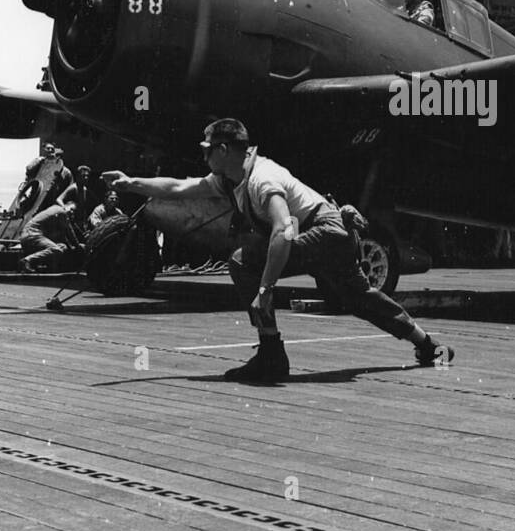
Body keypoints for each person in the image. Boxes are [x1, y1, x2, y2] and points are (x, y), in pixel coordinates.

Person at [104, 119, 453, 383]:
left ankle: (272, 354)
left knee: (244, 262)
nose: (204, 154)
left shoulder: (261, 180)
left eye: (207, 148)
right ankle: (429, 345)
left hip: (325, 231)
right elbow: (182, 187)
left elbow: (285, 230)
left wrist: (265, 288)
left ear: (224, 150)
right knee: (360, 296)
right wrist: (131, 182)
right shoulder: (231, 178)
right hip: (333, 232)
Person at [17, 202, 78, 271]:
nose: (72, 212)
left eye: (74, 211)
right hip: (32, 235)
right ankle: (26, 261)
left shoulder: (53, 210)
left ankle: (48, 267)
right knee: (56, 250)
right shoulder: (61, 211)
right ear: (65, 206)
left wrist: (71, 247)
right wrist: (78, 245)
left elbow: (63, 235)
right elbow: (69, 231)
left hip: (28, 237)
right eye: (71, 209)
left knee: (62, 246)